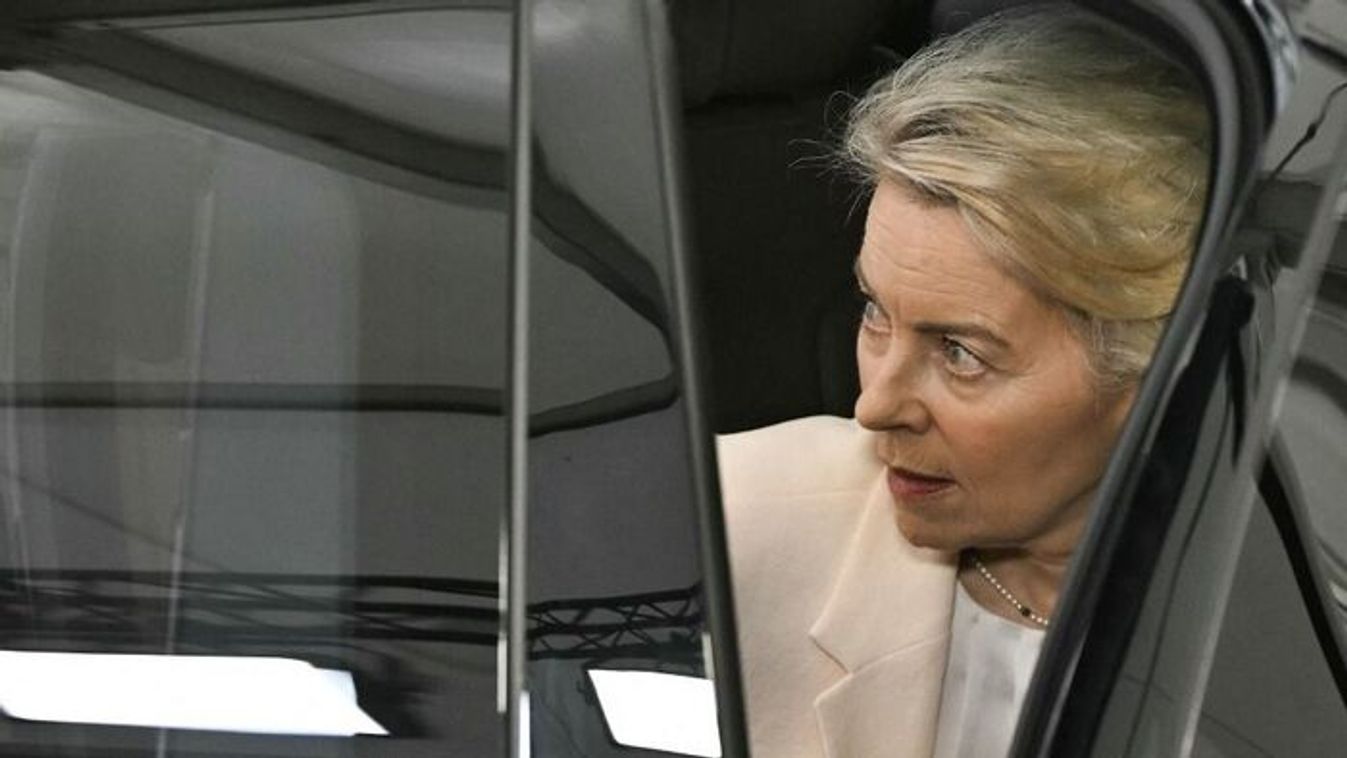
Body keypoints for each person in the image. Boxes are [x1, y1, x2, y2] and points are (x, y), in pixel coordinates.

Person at [716, 6, 1210, 758]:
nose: (874, 406)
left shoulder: (1275, 658)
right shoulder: (723, 524)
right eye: (874, 312)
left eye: (959, 353)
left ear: (1153, 375)